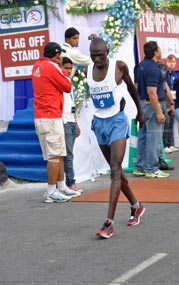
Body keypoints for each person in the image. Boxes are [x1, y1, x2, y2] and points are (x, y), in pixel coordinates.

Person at [86, 38, 145, 239]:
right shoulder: (88, 69)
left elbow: (131, 88)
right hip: (99, 123)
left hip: (117, 122)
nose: (97, 59)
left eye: (101, 54)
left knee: (114, 170)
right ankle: (136, 206)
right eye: (93, 55)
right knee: (117, 171)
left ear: (107, 51)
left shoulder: (118, 67)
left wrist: (140, 111)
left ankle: (109, 223)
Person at [32, 42, 79, 203]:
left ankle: (62, 186)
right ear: (57, 55)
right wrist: (61, 69)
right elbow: (67, 86)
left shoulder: (37, 65)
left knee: (59, 153)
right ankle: (51, 191)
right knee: (54, 156)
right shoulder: (51, 67)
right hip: (50, 116)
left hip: (44, 115)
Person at [133, 40, 170, 179]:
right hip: (151, 105)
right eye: (159, 48)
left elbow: (136, 87)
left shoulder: (141, 66)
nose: (161, 51)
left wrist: (139, 108)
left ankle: (140, 167)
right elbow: (152, 93)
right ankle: (152, 169)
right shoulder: (154, 69)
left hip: (143, 104)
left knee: (143, 137)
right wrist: (159, 112)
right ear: (155, 52)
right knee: (153, 138)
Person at [62, 57, 83, 193]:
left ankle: (66, 182)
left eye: (71, 68)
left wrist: (76, 123)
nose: (69, 71)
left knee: (69, 154)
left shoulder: (69, 82)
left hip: (71, 120)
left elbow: (72, 105)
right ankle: (70, 182)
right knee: (68, 154)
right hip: (63, 120)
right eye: (66, 68)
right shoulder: (60, 82)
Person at [163, 54, 179, 154]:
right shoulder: (164, 72)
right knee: (166, 121)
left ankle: (170, 144)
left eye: (173, 62)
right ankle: (165, 145)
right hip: (165, 99)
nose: (172, 64)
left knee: (171, 121)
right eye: (170, 61)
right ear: (166, 61)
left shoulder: (172, 73)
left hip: (172, 98)